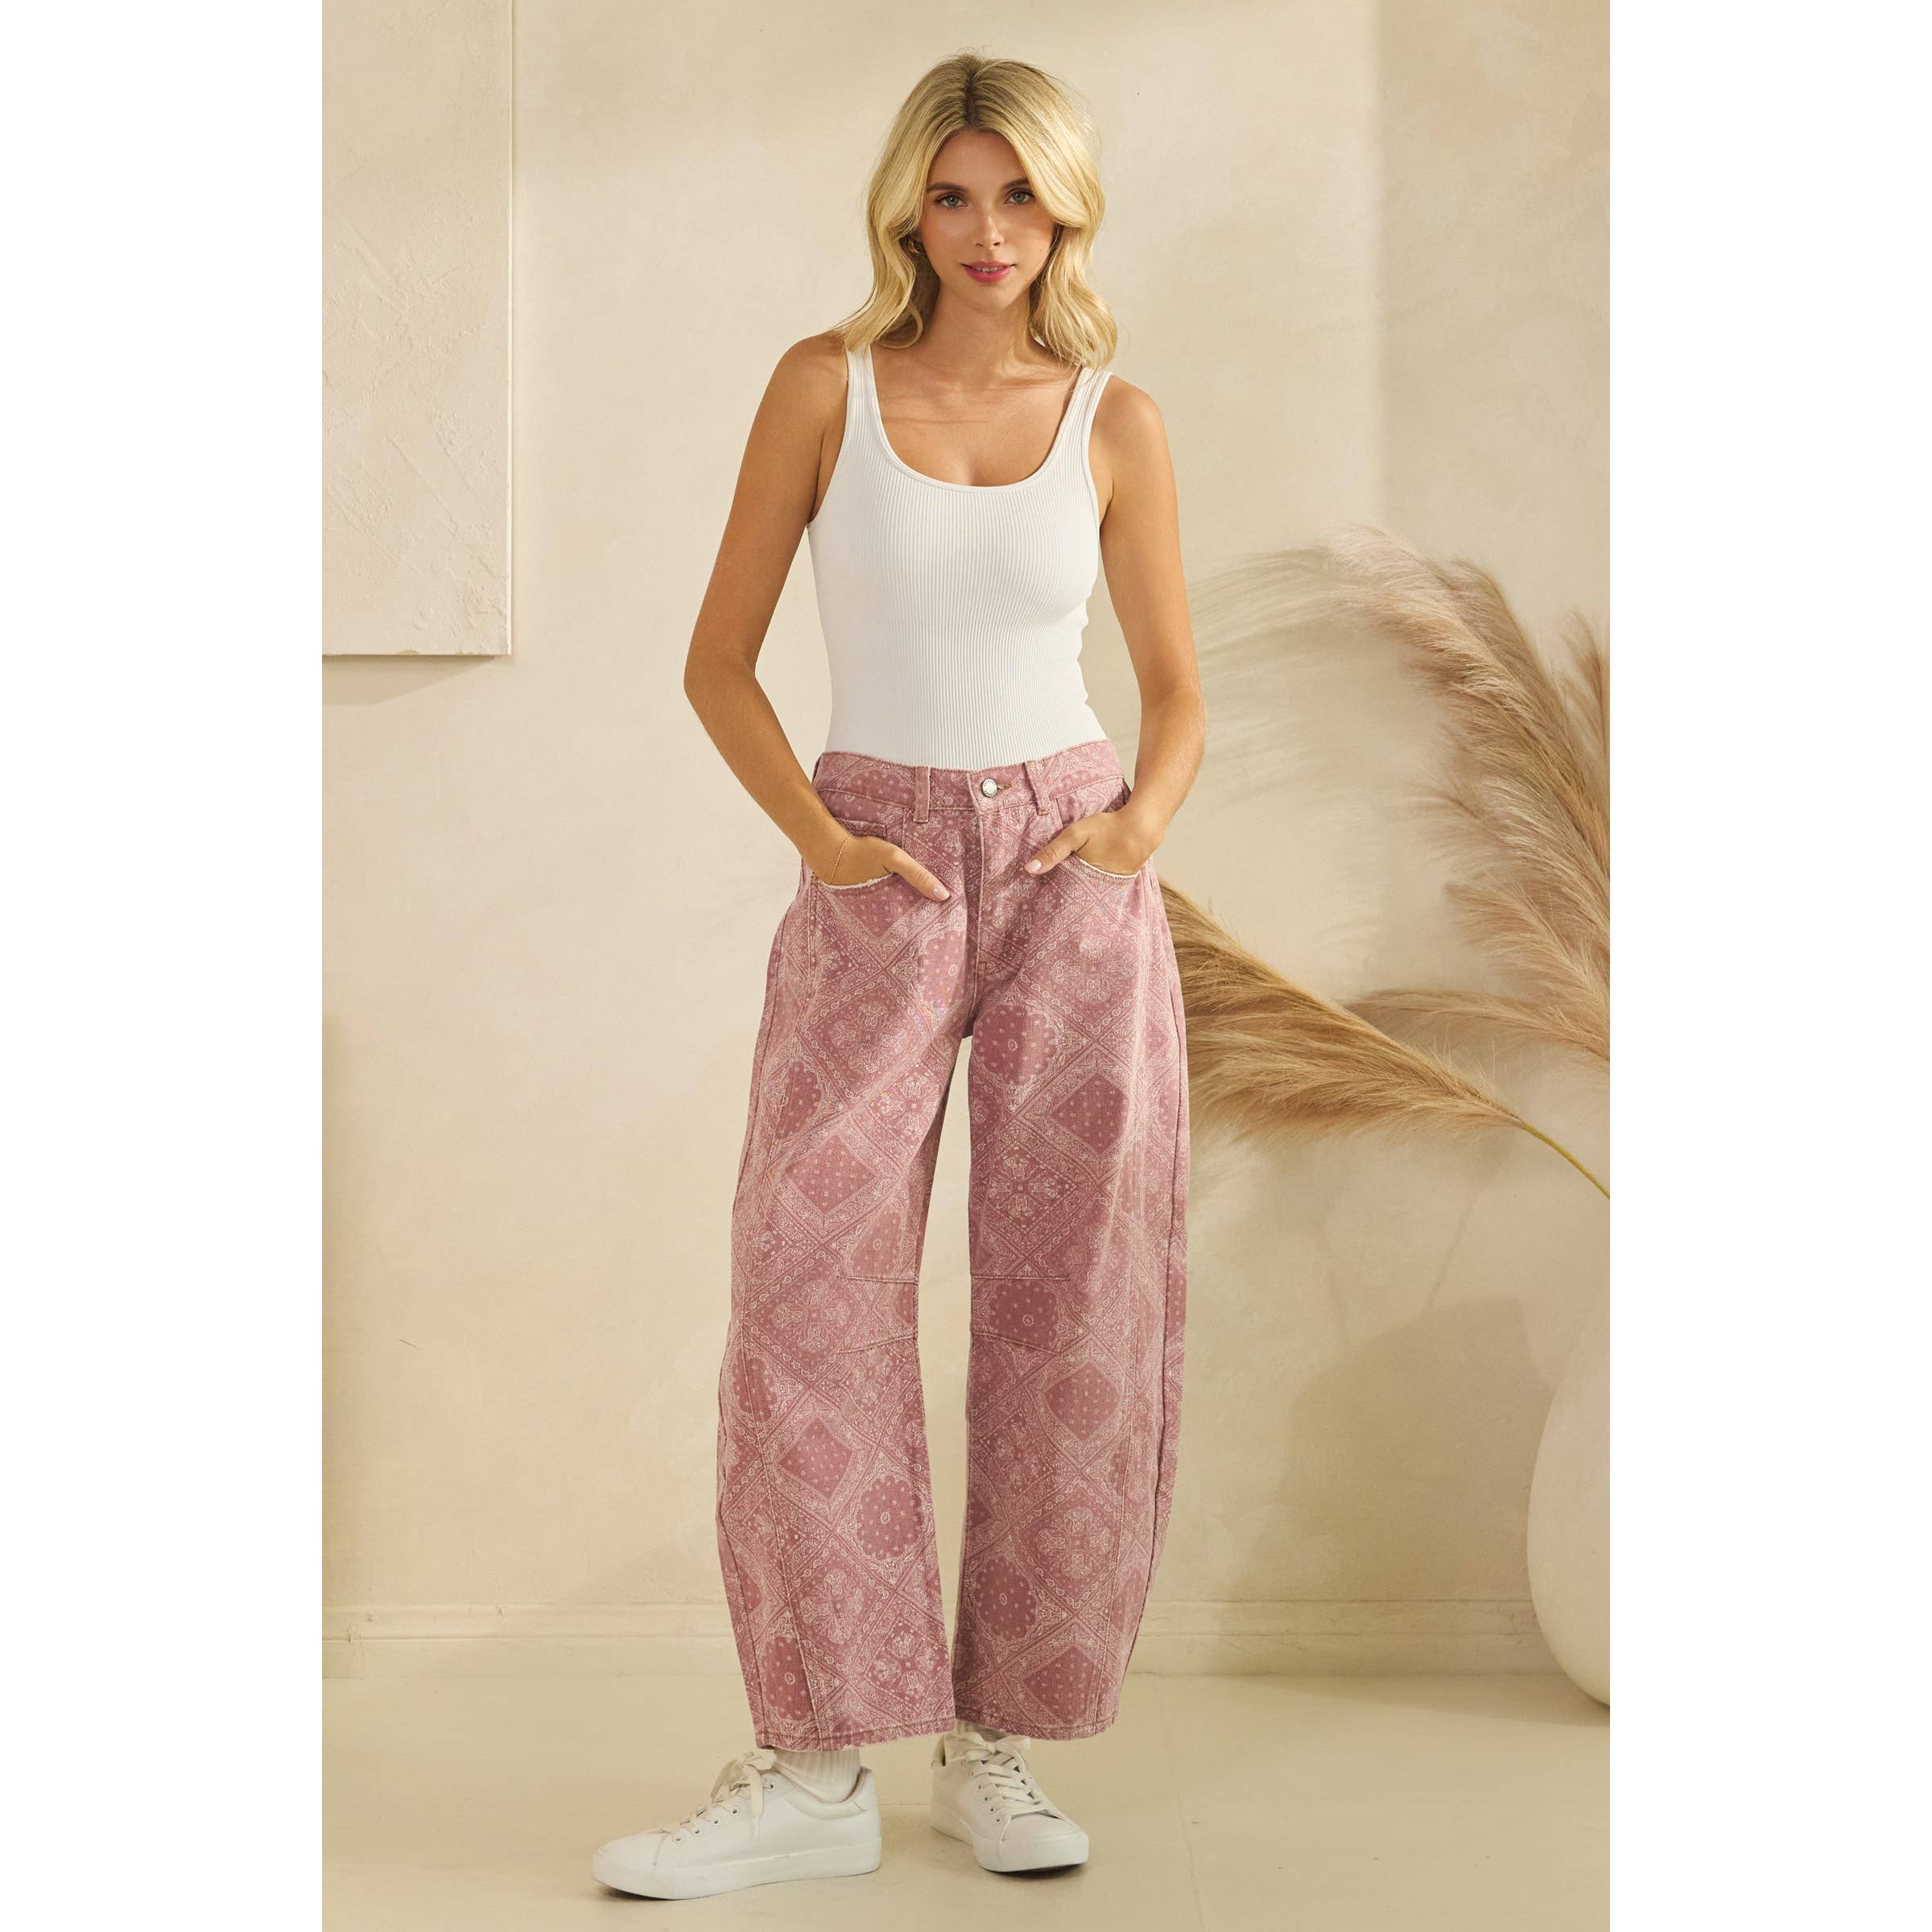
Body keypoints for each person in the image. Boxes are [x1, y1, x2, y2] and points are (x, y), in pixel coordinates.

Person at [592, 49, 1203, 1901]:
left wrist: (1134, 829)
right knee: (807, 1280)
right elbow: (716, 662)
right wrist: (827, 838)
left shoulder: (1116, 420)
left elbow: (1178, 691)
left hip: (1071, 862)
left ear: (1066, 209)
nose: (988, 230)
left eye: (1019, 195)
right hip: (878, 863)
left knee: (1072, 1303)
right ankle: (815, 1761)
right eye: (954, 195)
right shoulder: (824, 388)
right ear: (906, 210)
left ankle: (994, 1741)